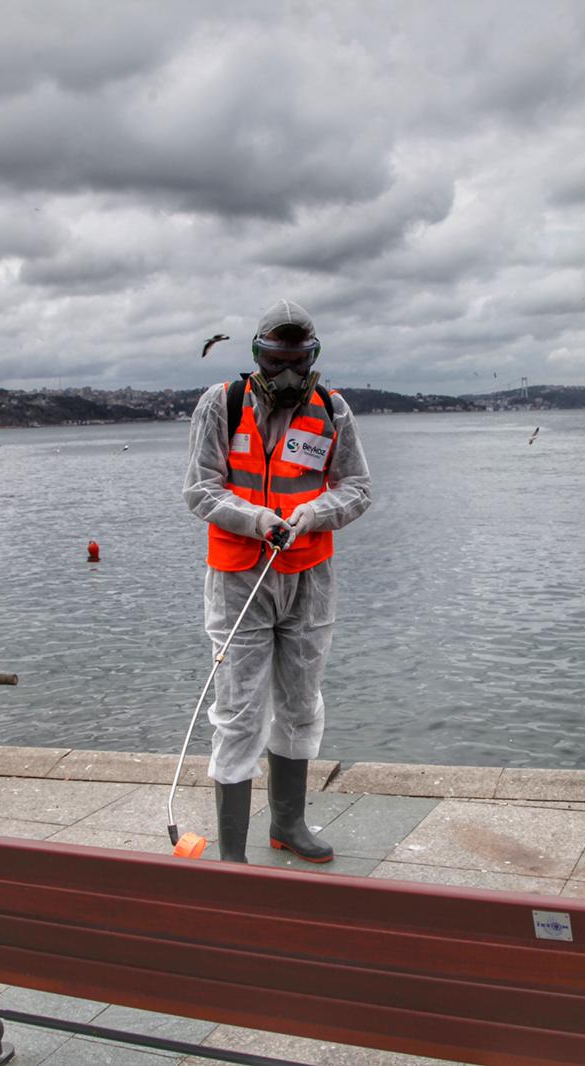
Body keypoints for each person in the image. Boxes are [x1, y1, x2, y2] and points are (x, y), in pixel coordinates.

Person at [183, 299, 372, 863]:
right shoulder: (222, 403)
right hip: (240, 576)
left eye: (297, 360)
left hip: (310, 576)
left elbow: (357, 487)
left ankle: (288, 824)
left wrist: (313, 514)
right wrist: (257, 520)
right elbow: (199, 488)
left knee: (301, 702)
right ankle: (233, 853)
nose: (286, 374)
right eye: (274, 359)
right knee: (239, 710)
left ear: (312, 357)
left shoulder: (333, 410)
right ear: (257, 355)